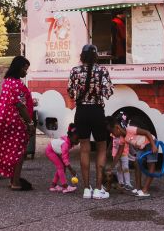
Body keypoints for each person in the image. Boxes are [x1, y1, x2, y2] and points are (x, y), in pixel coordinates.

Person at [0, 56, 36, 190]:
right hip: (16, 122)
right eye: (25, 69)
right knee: (19, 152)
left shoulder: (8, 81)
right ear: (19, 68)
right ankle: (15, 182)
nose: (26, 72)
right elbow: (20, 105)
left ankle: (13, 179)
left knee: (11, 150)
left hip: (5, 120)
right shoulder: (16, 84)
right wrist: (30, 123)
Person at [67, 44, 114, 199]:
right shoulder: (102, 71)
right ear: (96, 56)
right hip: (97, 112)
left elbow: (71, 93)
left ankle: (87, 189)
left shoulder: (75, 71)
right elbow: (109, 93)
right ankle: (99, 188)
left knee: (84, 149)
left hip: (81, 112)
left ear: (82, 56)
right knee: (101, 148)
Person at [108, 116, 156, 198]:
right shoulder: (122, 138)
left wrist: (153, 145)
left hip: (150, 143)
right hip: (142, 146)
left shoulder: (130, 129)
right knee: (136, 162)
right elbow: (119, 153)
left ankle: (145, 190)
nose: (112, 134)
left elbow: (147, 132)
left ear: (117, 127)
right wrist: (112, 166)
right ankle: (138, 187)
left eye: (112, 132)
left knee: (151, 165)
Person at [45, 124, 79, 193]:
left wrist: (66, 164)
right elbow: (65, 159)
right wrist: (71, 169)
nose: (78, 141)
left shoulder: (69, 141)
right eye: (77, 139)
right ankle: (65, 187)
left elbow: (64, 156)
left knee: (62, 166)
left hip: (54, 151)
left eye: (79, 139)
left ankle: (53, 186)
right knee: (61, 167)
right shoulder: (65, 145)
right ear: (71, 136)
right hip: (50, 151)